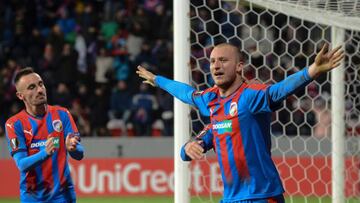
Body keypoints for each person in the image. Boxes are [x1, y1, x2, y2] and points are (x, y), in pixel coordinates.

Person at [136, 43, 344, 202]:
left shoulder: (251, 95)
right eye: (212, 61)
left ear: (239, 66)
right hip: (231, 197)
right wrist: (157, 81)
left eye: (223, 60)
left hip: (261, 195)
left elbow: (279, 90)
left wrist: (313, 70)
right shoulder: (210, 99)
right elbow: (186, 94)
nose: (216, 65)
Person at [4, 67, 84, 203]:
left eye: (41, 84)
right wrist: (45, 153)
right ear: (20, 95)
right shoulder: (14, 124)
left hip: (63, 196)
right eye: (31, 87)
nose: (40, 90)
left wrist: (73, 148)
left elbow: (80, 154)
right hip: (32, 197)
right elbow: (21, 164)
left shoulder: (62, 114)